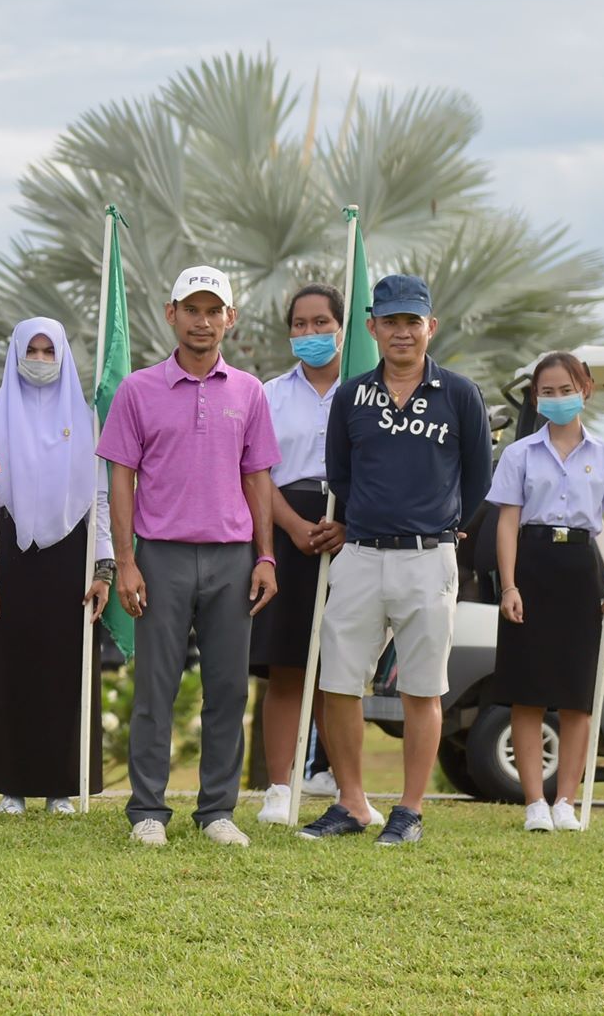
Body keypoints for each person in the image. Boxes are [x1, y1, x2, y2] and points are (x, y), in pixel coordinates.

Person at [300, 274, 490, 846]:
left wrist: (439, 522)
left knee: (422, 689)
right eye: (391, 322)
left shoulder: (460, 394)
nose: (402, 332)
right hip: (359, 555)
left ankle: (409, 811)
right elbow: (341, 474)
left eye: (413, 321)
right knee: (338, 682)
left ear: (431, 326)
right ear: (372, 327)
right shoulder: (351, 396)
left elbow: (478, 480)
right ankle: (352, 803)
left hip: (428, 559)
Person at [98, 266, 279, 848]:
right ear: (171, 314)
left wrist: (266, 557)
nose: (203, 321)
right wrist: (125, 561)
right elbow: (120, 480)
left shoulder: (249, 391)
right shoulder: (137, 390)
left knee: (228, 690)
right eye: (192, 309)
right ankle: (148, 810)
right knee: (155, 688)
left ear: (231, 318)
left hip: (232, 559)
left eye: (213, 310)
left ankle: (217, 811)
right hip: (161, 557)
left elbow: (258, 478)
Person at [488, 351, 604, 831]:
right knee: (527, 691)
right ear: (535, 398)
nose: (557, 399)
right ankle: (535, 802)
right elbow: (507, 523)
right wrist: (509, 584)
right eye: (547, 392)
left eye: (566, 390)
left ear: (585, 390)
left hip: (581, 568)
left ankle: (565, 802)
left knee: (577, 694)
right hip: (530, 566)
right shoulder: (519, 454)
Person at [0, 317, 110, 816]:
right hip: (6, 549)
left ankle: (62, 787)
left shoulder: (88, 419)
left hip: (71, 554)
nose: (41, 360)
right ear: (15, 354)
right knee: (8, 665)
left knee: (66, 667)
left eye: (50, 351)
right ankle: (9, 784)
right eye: (32, 350)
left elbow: (100, 497)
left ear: (64, 356)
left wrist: (104, 566)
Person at [252, 284, 352, 825]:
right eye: (299, 324)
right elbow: (255, 472)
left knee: (340, 671)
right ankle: (278, 789)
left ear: (342, 327)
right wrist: (291, 526)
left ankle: (348, 790)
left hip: (351, 532)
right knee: (287, 666)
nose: (309, 333)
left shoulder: (365, 391)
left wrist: (348, 524)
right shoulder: (269, 394)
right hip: (286, 527)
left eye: (320, 323)